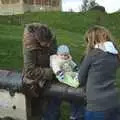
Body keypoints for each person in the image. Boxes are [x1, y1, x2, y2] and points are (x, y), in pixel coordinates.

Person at [22, 23, 85, 120]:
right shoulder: (29, 46)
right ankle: (50, 116)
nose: (48, 45)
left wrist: (63, 62)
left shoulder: (50, 39)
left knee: (75, 90)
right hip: (39, 77)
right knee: (54, 96)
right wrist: (52, 72)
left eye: (49, 42)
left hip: (57, 70)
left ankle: (76, 116)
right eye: (45, 43)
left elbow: (56, 55)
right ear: (38, 41)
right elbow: (29, 71)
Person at [78, 25, 120, 120]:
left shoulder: (93, 54)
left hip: (97, 105)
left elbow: (80, 79)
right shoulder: (115, 54)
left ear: (92, 39)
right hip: (114, 101)